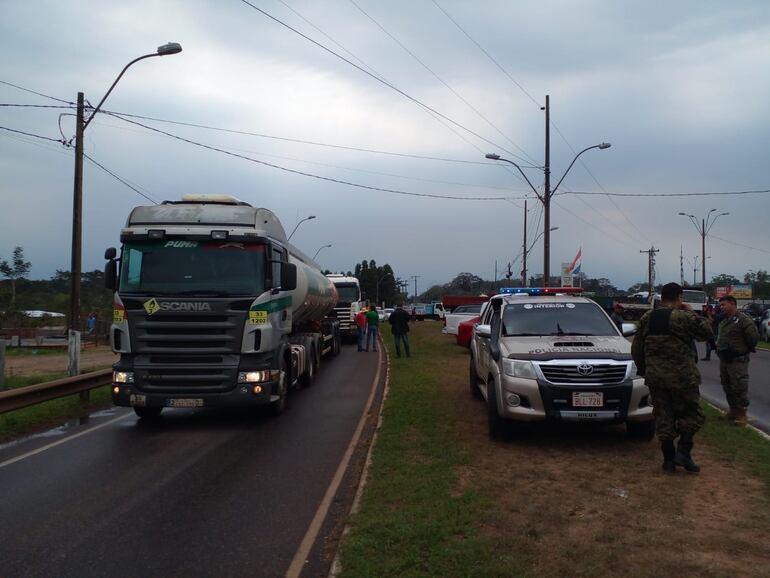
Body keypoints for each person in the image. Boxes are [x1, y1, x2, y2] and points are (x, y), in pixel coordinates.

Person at [632, 282, 713, 474]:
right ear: (680, 297)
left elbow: (636, 349)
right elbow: (707, 333)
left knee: (663, 417)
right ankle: (683, 452)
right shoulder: (684, 317)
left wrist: (645, 369)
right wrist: (691, 311)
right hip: (682, 378)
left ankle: (668, 460)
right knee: (694, 415)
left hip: (656, 378)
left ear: (661, 297)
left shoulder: (647, 318)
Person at [716, 295, 759, 426]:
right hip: (725, 359)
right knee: (727, 384)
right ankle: (733, 410)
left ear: (733, 304)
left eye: (724, 305)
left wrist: (744, 349)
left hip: (738, 359)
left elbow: (753, 337)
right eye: (721, 305)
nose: (721, 307)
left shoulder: (743, 320)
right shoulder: (724, 320)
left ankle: (742, 414)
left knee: (739, 386)